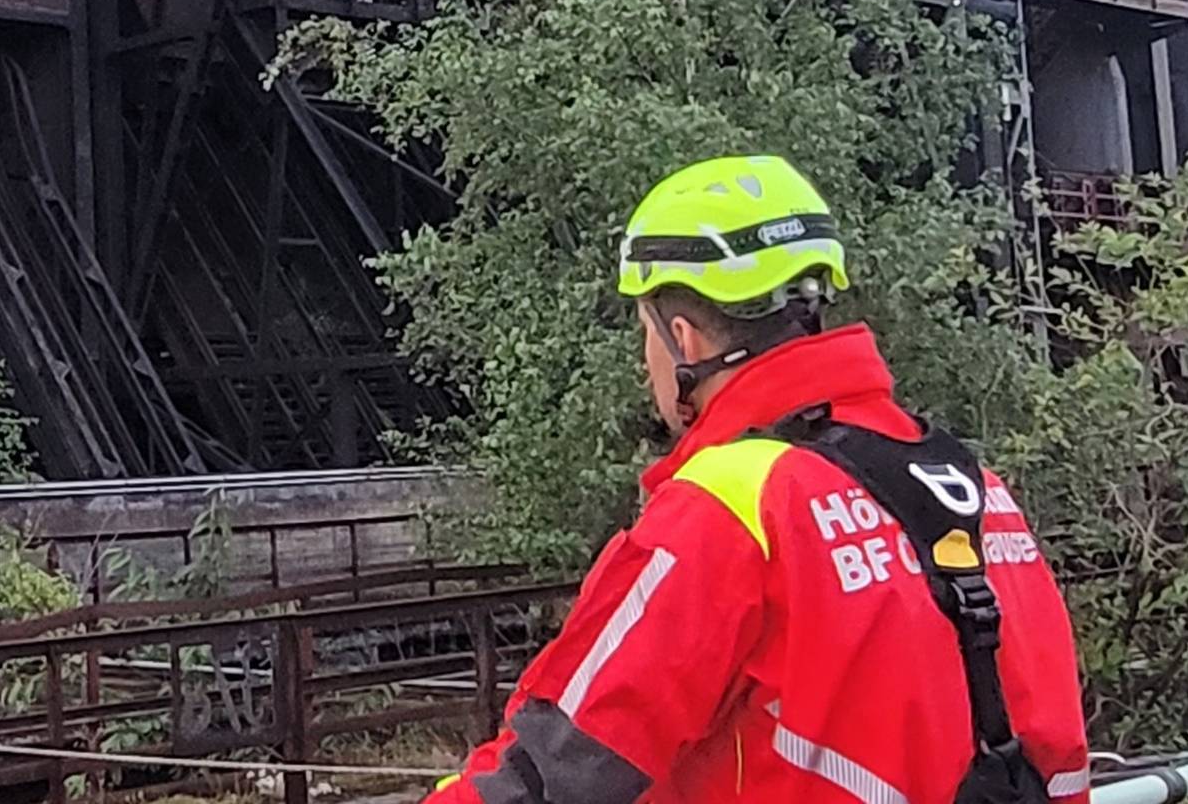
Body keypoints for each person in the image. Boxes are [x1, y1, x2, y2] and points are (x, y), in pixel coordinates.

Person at [427, 155, 1091, 804]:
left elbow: (558, 768)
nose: (645, 362)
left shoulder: (730, 509)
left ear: (683, 340)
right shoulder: (977, 492)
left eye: (647, 334)